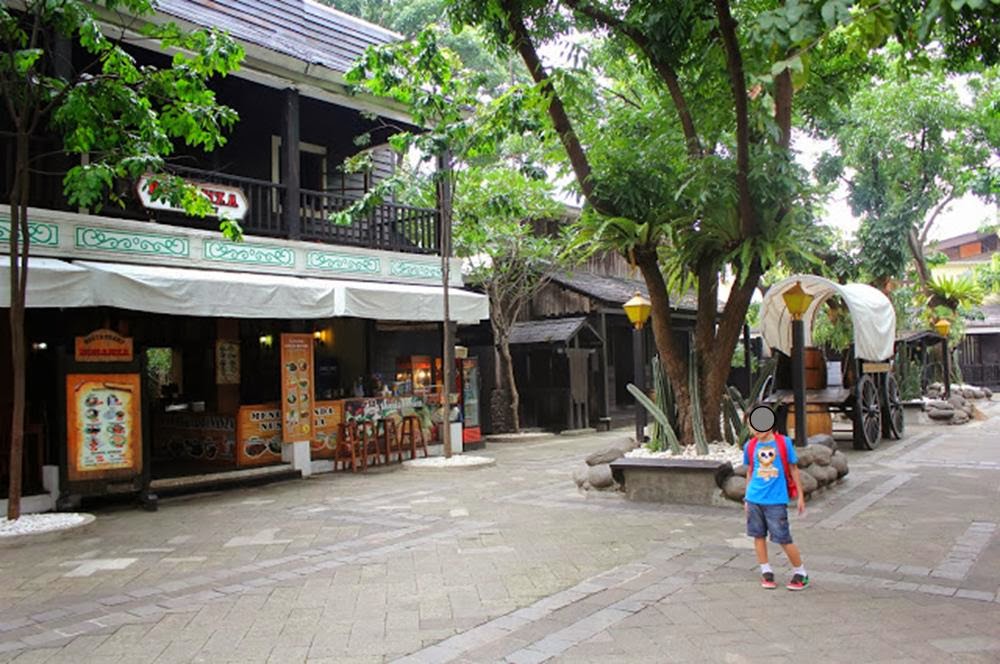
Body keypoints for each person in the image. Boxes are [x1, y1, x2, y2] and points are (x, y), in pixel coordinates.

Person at [744, 406, 809, 591]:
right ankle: (766, 570)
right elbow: (750, 472)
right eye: (751, 425)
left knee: (783, 538)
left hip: (776, 502)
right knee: (758, 536)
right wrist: (746, 499)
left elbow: (794, 469)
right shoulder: (750, 446)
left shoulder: (783, 443)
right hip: (754, 498)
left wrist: (800, 496)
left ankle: (800, 572)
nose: (755, 429)